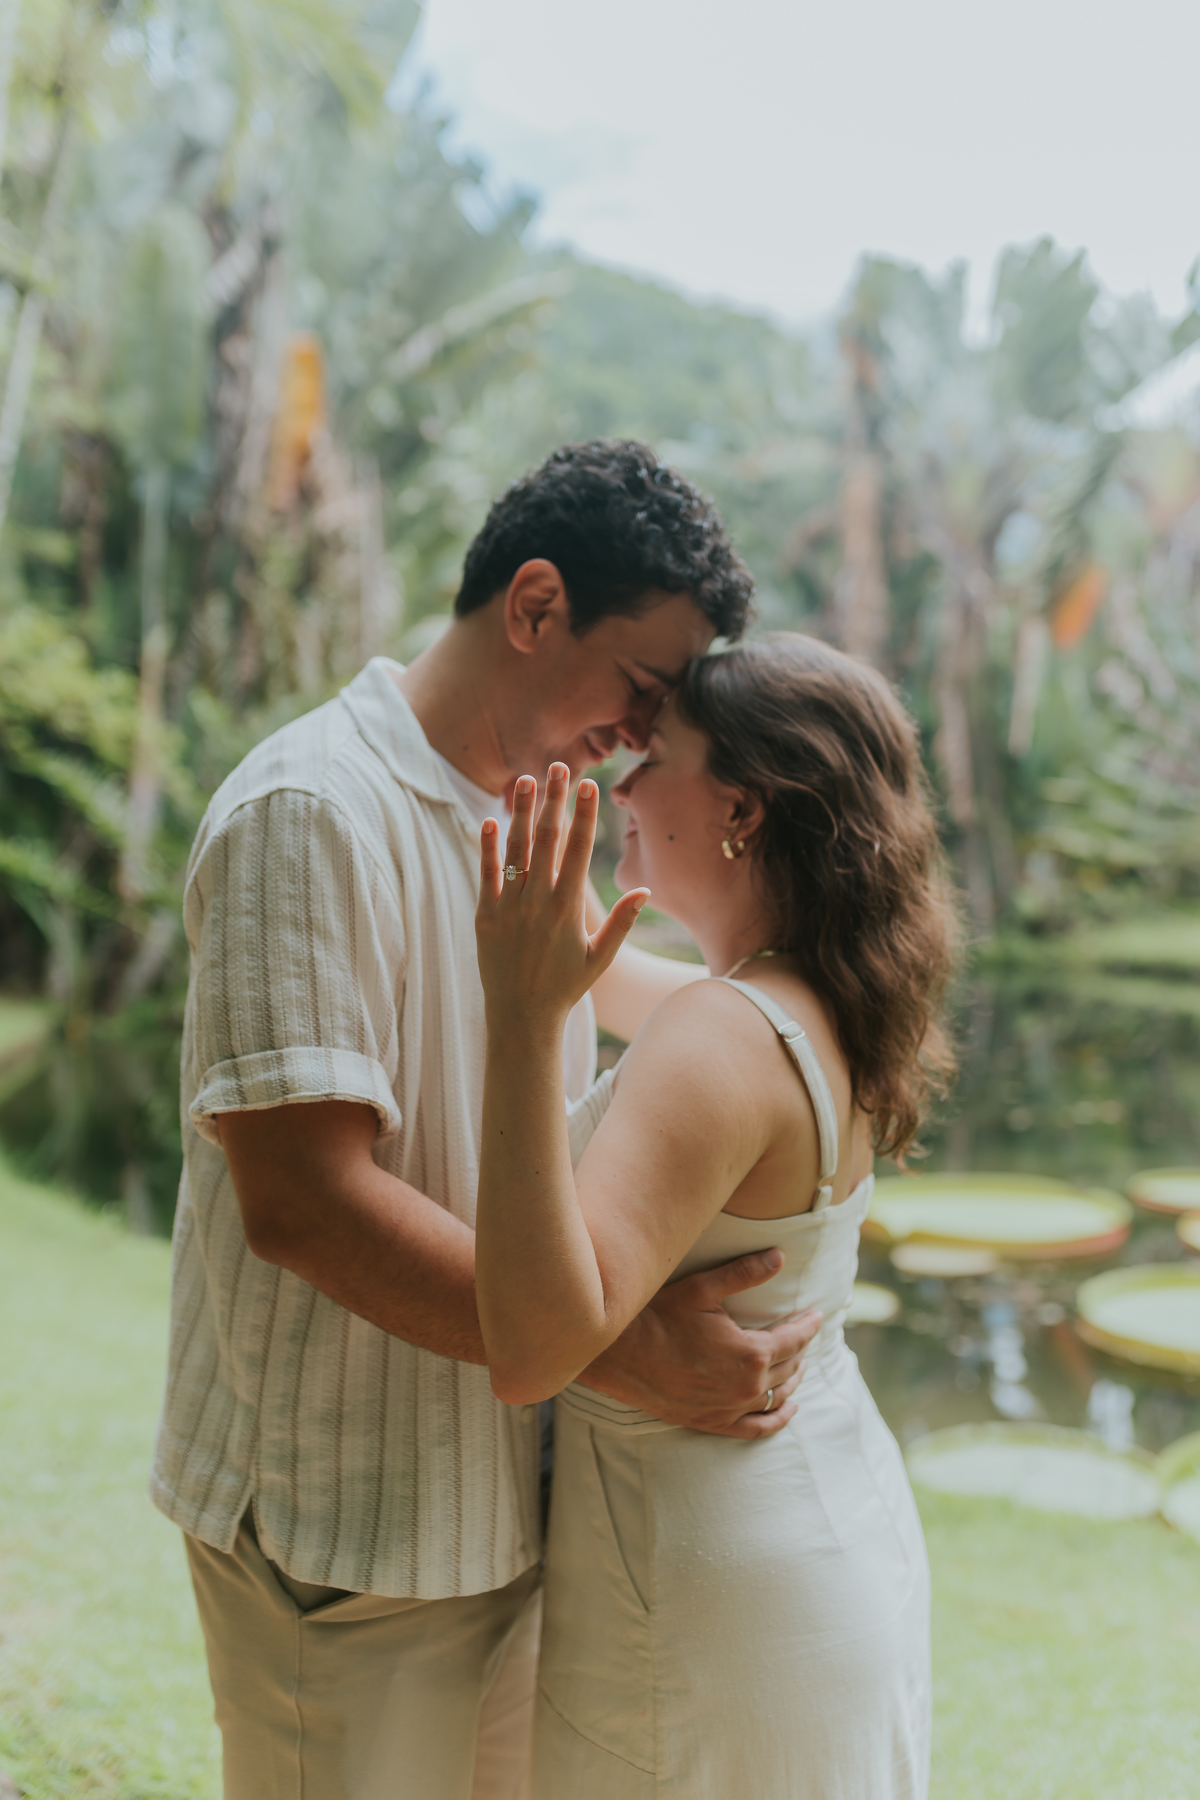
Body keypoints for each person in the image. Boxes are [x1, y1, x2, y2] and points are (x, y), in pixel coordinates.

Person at [150, 442, 824, 1800]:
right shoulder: (309, 812)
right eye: (642, 688)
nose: (642, 740)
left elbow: (660, 1002)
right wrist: (610, 1351)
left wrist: (833, 1006)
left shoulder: (526, 816)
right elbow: (302, 1203)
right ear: (531, 608)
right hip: (343, 1532)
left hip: (505, 1512)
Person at [473, 632, 961, 1799]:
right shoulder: (808, 999)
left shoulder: (717, 1035)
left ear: (740, 808)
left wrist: (522, 1019)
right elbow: (613, 971)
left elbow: (535, 1345)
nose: (622, 782)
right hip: (821, 1529)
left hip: (702, 1595)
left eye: (655, 760)